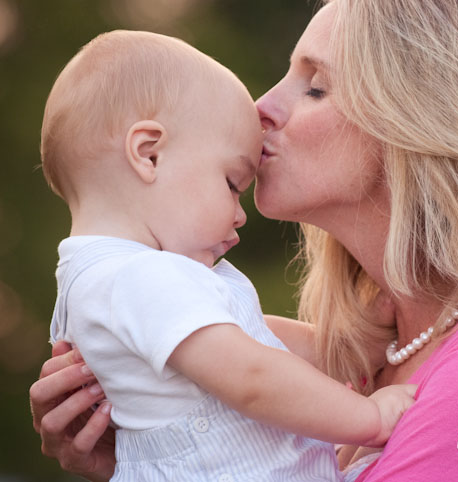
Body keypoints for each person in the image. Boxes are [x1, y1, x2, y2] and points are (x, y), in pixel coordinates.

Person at [30, 1, 458, 481]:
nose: (262, 106)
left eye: (314, 85)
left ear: (420, 126)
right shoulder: (368, 355)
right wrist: (149, 440)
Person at [35, 29, 417, 482]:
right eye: (232, 184)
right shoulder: (135, 279)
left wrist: (357, 346)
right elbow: (252, 375)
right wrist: (370, 419)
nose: (240, 216)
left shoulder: (123, 277)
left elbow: (248, 337)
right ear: (149, 155)